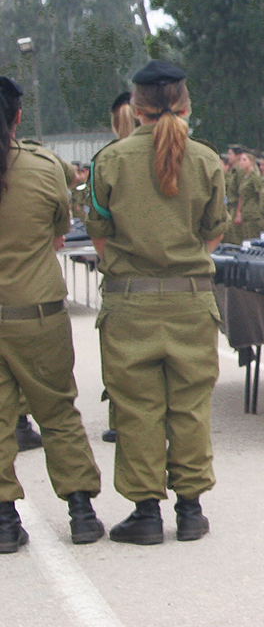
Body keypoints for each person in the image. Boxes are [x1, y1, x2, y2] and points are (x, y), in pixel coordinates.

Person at [85, 59, 227, 544]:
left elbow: (100, 237)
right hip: (191, 303)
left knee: (136, 408)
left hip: (130, 304)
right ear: (187, 105)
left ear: (135, 107)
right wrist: (182, 262)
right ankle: (191, 510)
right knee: (189, 406)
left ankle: (146, 512)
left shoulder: (110, 160)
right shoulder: (207, 159)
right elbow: (214, 233)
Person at [0, 74, 106, 553]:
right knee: (58, 411)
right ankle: (81, 511)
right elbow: (60, 230)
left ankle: (4, 520)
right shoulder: (44, 167)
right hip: (36, 311)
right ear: (17, 117)